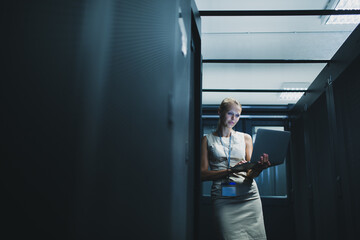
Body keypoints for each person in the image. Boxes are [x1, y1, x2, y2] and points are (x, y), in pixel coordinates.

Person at [201, 97, 271, 240]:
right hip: (223, 196)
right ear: (220, 112)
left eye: (237, 115)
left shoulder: (246, 138)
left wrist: (260, 168)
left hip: (249, 194)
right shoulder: (207, 139)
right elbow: (202, 174)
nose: (234, 118)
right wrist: (230, 171)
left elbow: (251, 173)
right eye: (230, 113)